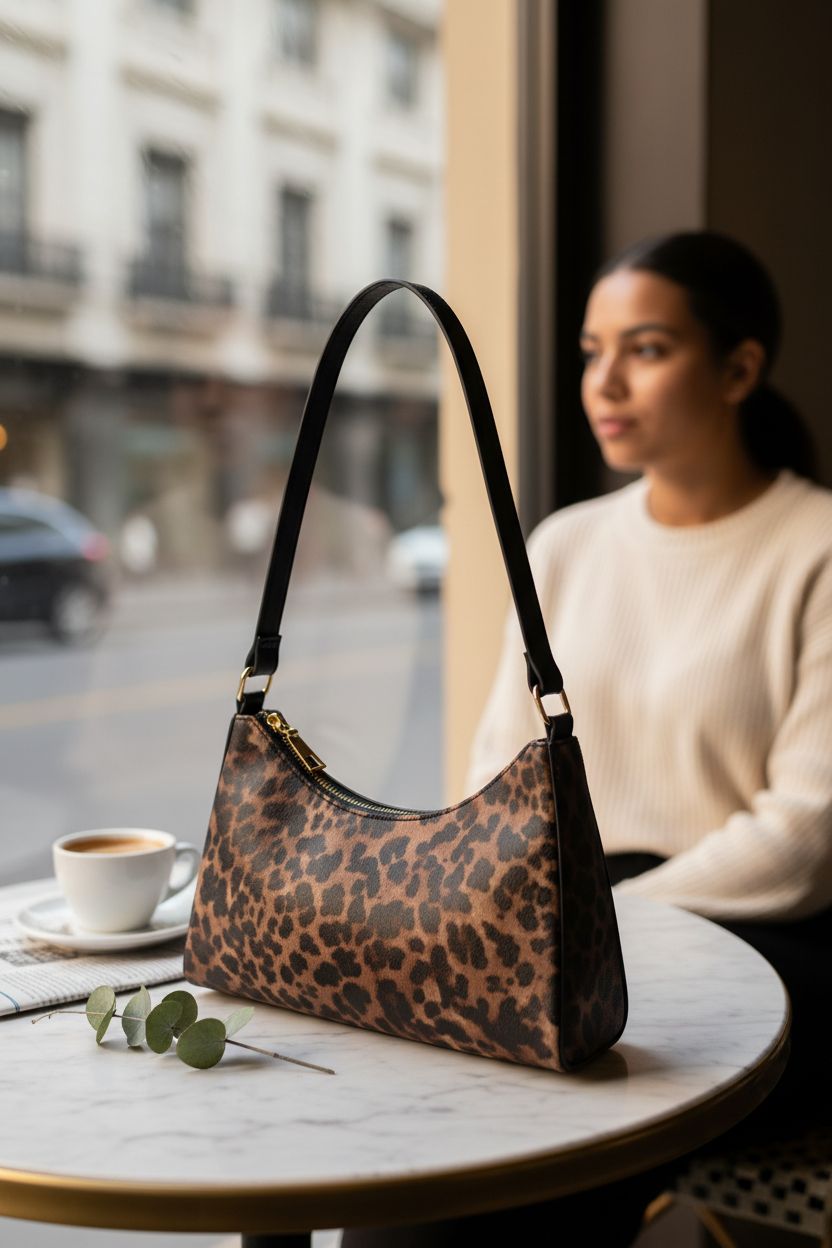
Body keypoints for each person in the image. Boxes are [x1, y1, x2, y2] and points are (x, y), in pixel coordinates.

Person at [340, 229, 832, 1246]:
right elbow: (494, 780)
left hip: (755, 939)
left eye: (646, 349)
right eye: (589, 350)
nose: (604, 381)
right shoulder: (564, 548)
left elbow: (800, 840)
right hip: (579, 924)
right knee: (407, 1147)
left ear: (739, 367)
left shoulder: (814, 548)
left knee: (510, 1155)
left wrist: (597, 930)